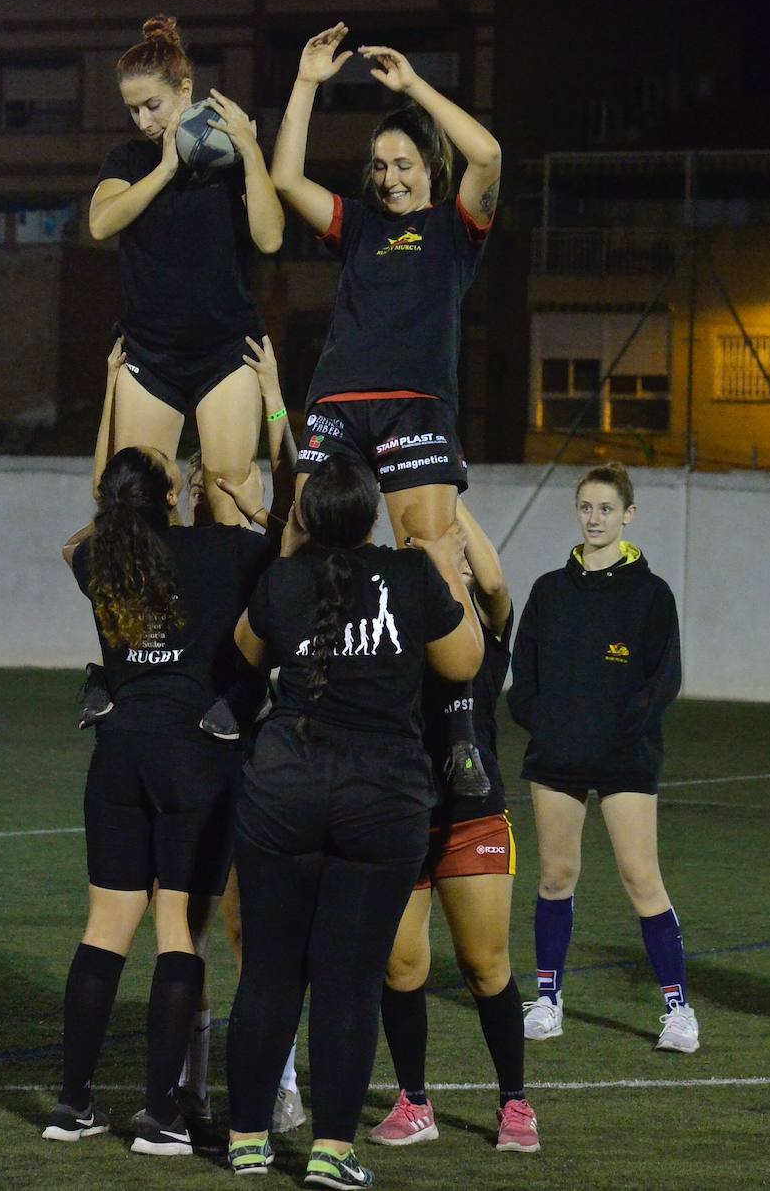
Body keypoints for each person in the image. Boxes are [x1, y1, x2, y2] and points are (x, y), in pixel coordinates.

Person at [223, 455, 484, 1187]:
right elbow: (463, 662)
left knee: (270, 975)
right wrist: (441, 563)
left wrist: (283, 560)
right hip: (382, 796)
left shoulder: (284, 579)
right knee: (348, 982)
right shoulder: (407, 577)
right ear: (372, 515)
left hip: (286, 788)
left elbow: (246, 653)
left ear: (306, 518)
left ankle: (247, 1141)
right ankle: (331, 1153)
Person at [271, 22, 501, 794]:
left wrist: (412, 92)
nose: (390, 176)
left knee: (428, 550)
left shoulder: (455, 228)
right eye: (378, 166)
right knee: (301, 530)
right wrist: (305, 82)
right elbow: (284, 181)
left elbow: (489, 155)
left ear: (427, 165)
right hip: (336, 402)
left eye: (402, 163)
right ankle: (286, 689)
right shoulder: (360, 225)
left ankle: (460, 726)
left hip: (414, 410)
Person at [42, 443, 271, 1154]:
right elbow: (283, 544)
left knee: (104, 928)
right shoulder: (224, 552)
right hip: (193, 756)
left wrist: (120, 503)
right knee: (177, 930)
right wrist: (245, 498)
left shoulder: (101, 560)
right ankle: (162, 1116)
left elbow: (69, 545)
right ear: (172, 497)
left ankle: (72, 1105)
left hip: (117, 753)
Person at [507, 462, 695, 1053]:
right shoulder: (549, 590)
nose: (595, 518)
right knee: (557, 877)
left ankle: (678, 1010)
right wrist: (549, 724)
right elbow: (525, 673)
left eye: (607, 509)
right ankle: (548, 1000)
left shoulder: (651, 593)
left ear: (628, 515)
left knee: (643, 880)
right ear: (577, 511)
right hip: (558, 757)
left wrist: (619, 732)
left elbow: (665, 680)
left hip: (625, 759)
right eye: (587, 507)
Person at [369, 501, 540, 1154]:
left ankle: (514, 1104)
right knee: (401, 966)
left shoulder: (485, 625)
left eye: (457, 555)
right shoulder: (397, 620)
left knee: (483, 965)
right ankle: (414, 1102)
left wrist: (445, 493)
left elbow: (494, 583)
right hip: (403, 813)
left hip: (472, 820)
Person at [89, 14, 284, 527]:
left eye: (153, 105)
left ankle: (230, 601)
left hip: (225, 349)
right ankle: (166, 604)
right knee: (137, 502)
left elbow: (270, 237)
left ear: (186, 90)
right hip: (151, 353)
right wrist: (165, 169)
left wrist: (250, 151)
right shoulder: (129, 161)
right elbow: (101, 223)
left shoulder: (229, 162)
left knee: (225, 492)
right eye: (132, 110)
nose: (143, 121)